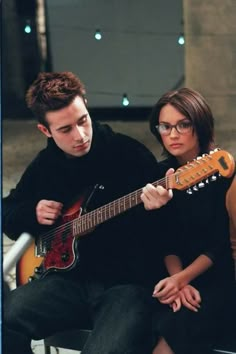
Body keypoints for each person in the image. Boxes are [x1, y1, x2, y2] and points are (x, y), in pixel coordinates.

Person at [3, 71, 172, 354]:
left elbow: (169, 234)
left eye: (83, 121)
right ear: (45, 131)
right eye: (65, 129)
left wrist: (158, 209)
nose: (80, 135)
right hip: (67, 284)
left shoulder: (129, 154)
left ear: (86, 106)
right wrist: (31, 212)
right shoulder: (46, 165)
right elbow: (6, 210)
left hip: (126, 287)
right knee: (5, 317)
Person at [148, 87, 236, 354]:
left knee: (176, 332)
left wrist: (183, 280)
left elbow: (221, 244)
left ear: (200, 125)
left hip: (217, 276)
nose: (173, 134)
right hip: (172, 273)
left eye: (183, 125)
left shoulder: (223, 172)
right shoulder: (158, 174)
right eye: (165, 126)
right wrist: (177, 281)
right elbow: (165, 241)